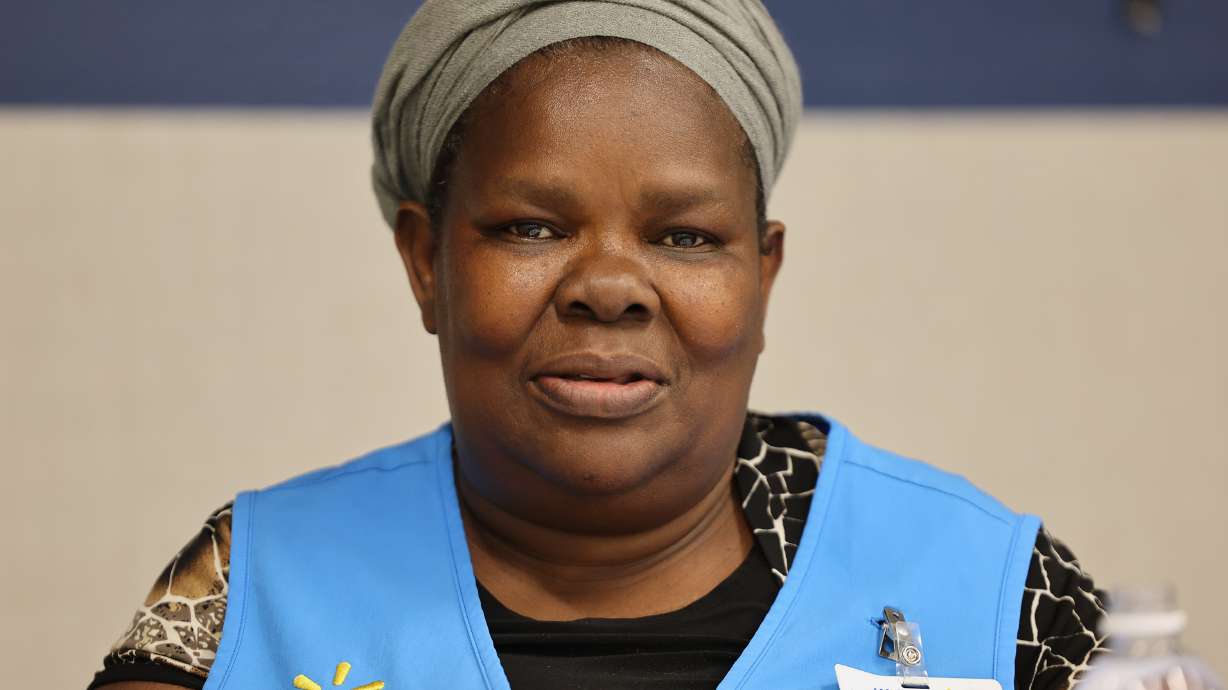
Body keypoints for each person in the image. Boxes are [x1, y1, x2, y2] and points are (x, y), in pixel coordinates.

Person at [89, 2, 1107, 689]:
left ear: (762, 274)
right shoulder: (246, 594)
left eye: (684, 237)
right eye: (532, 227)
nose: (610, 289)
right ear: (424, 262)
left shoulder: (995, 590)